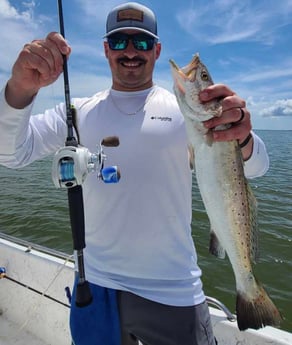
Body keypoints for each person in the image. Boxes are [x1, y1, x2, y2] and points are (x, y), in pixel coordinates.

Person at [0, 2, 269, 345]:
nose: (130, 51)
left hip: (175, 292)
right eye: (119, 42)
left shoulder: (188, 115)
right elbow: (10, 154)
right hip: (95, 286)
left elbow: (258, 166)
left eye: (141, 43)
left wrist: (241, 137)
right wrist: (21, 88)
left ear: (156, 50)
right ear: (105, 49)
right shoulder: (77, 111)